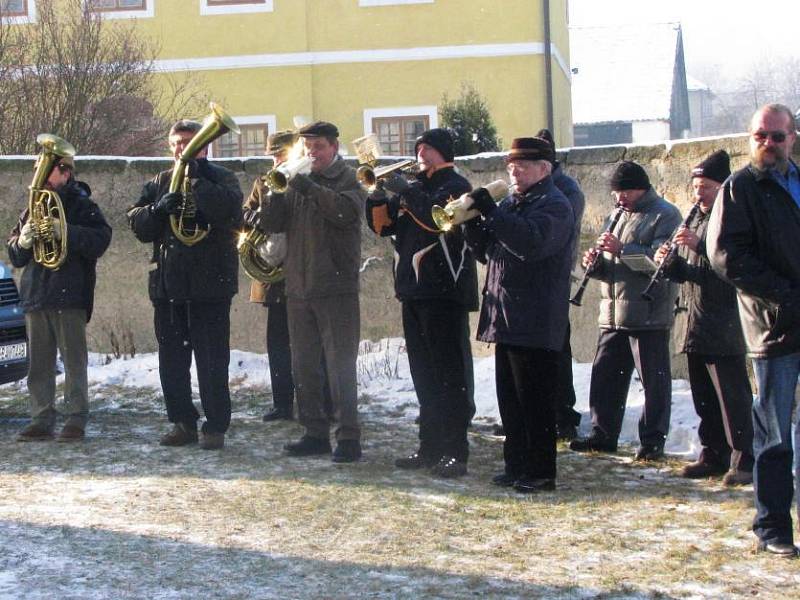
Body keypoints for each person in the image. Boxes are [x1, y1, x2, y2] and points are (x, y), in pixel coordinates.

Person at [707, 103, 800, 558]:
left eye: (776, 137)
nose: (768, 144)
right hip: (775, 326)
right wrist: (783, 294)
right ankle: (772, 527)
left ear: (792, 137)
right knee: (775, 433)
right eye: (760, 136)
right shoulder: (739, 187)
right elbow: (726, 256)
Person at [463, 137, 574, 492]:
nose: (514, 172)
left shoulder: (555, 205)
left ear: (544, 169)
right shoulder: (513, 202)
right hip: (507, 314)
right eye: (511, 166)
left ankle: (541, 471)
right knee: (510, 400)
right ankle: (516, 464)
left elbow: (531, 244)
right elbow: (490, 253)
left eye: (522, 166)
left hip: (536, 316)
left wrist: (494, 215)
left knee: (535, 401)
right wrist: (472, 223)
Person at [365, 127, 478, 478]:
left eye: (427, 149)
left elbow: (436, 221)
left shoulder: (456, 186)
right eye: (419, 149)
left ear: (444, 153)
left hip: (444, 290)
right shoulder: (417, 188)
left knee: (450, 374)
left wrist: (407, 191)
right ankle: (429, 446)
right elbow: (384, 229)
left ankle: (455, 450)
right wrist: (377, 195)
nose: (420, 154)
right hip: (413, 289)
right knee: (424, 375)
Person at [127, 119, 243, 451]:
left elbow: (230, 211)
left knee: (212, 361)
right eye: (178, 142)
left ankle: (215, 426)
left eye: (190, 142)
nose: (183, 147)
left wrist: (196, 183)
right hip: (169, 286)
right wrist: (157, 210)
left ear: (204, 145)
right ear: (170, 146)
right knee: (172, 363)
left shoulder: (221, 178)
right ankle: (182, 422)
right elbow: (137, 224)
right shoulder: (160, 181)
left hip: (211, 286)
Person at [260, 121, 366, 463]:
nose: (311, 154)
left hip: (335, 286)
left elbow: (343, 212)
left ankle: (348, 437)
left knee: (340, 366)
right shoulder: (294, 182)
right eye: (306, 148)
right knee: (304, 364)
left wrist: (304, 184)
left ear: (334, 148)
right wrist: (274, 190)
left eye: (318, 147)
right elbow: (273, 224)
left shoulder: (348, 179)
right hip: (298, 286)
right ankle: (314, 433)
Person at [654, 150, 754, 486]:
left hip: (723, 320)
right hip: (694, 318)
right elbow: (691, 272)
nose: (699, 193)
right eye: (696, 187)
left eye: (706, 187)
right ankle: (712, 454)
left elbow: (730, 268)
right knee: (704, 398)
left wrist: (698, 247)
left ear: (722, 187)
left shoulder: (733, 217)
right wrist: (669, 264)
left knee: (732, 398)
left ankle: (743, 459)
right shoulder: (694, 216)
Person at [570, 161, 681, 461]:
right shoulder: (616, 216)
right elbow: (611, 268)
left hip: (648, 313)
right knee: (605, 376)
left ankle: (652, 441)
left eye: (625, 192)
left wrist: (622, 250)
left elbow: (658, 265)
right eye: (616, 193)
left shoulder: (665, 215)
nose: (619, 199)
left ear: (640, 188)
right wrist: (592, 264)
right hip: (613, 314)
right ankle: (602, 434)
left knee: (653, 382)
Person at [8, 154, 111, 442]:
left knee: (73, 360)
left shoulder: (82, 204)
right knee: (39, 364)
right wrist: (23, 240)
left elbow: (100, 240)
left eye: (47, 168)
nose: (39, 174)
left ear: (65, 173)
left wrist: (65, 231)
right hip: (36, 292)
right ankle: (41, 418)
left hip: (69, 292)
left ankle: (76, 418)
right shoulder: (33, 207)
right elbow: (15, 255)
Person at [243, 130, 334, 423]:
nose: (276, 160)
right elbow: (247, 213)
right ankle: (282, 404)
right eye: (272, 155)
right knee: (278, 343)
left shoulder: (308, 178)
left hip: (304, 269)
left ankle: (325, 403)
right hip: (274, 274)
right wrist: (254, 217)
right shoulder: (264, 181)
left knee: (316, 344)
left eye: (280, 154)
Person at [536, 128, 585, 440]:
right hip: (528, 281)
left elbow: (556, 233)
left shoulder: (566, 191)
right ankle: (537, 413)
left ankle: (563, 413)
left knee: (556, 347)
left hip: (553, 277)